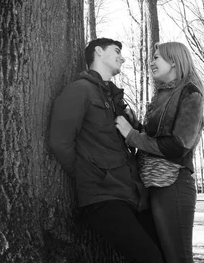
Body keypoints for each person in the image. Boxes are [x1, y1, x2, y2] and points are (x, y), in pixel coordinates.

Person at [49, 38, 164, 263]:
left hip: (134, 196)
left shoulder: (116, 100)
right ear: (99, 52)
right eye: (117, 51)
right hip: (104, 197)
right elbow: (59, 141)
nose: (122, 57)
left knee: (166, 253)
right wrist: (89, 174)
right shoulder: (79, 90)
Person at [115, 42, 204, 263]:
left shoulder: (190, 93)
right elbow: (155, 136)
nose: (151, 62)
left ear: (173, 60)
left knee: (177, 258)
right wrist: (134, 123)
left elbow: (178, 146)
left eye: (157, 58)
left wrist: (132, 136)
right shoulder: (161, 95)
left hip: (172, 185)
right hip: (151, 186)